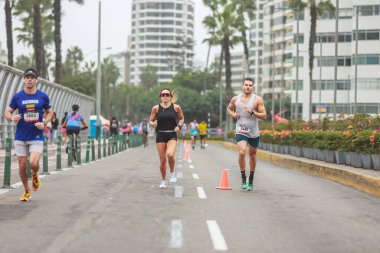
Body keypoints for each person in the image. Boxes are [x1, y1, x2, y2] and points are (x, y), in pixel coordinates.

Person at [4, 68, 53, 201]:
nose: (30, 79)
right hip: (20, 135)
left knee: (33, 163)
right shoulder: (18, 96)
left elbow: (50, 112)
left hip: (36, 135)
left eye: (32, 77)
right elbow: (7, 112)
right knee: (22, 165)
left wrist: (44, 123)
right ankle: (26, 190)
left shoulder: (42, 96)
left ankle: (35, 174)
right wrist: (11, 117)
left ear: (36, 80)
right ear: (24, 79)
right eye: (27, 77)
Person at [226, 78, 266, 191]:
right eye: (246, 85)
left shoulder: (257, 100)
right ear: (242, 86)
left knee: (252, 155)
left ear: (253, 87)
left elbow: (264, 116)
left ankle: (251, 178)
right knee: (242, 152)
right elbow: (229, 109)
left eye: (250, 85)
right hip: (241, 128)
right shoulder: (236, 99)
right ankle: (243, 178)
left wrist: (253, 112)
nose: (248, 87)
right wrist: (233, 114)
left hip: (253, 129)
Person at [149, 88, 184, 189]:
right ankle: (163, 181)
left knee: (170, 154)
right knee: (163, 161)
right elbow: (150, 120)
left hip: (172, 134)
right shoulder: (156, 108)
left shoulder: (176, 107)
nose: (165, 96)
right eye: (163, 94)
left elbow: (181, 118)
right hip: (160, 135)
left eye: (167, 94)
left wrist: (179, 126)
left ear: (170, 96)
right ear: (160, 96)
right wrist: (153, 123)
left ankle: (172, 172)